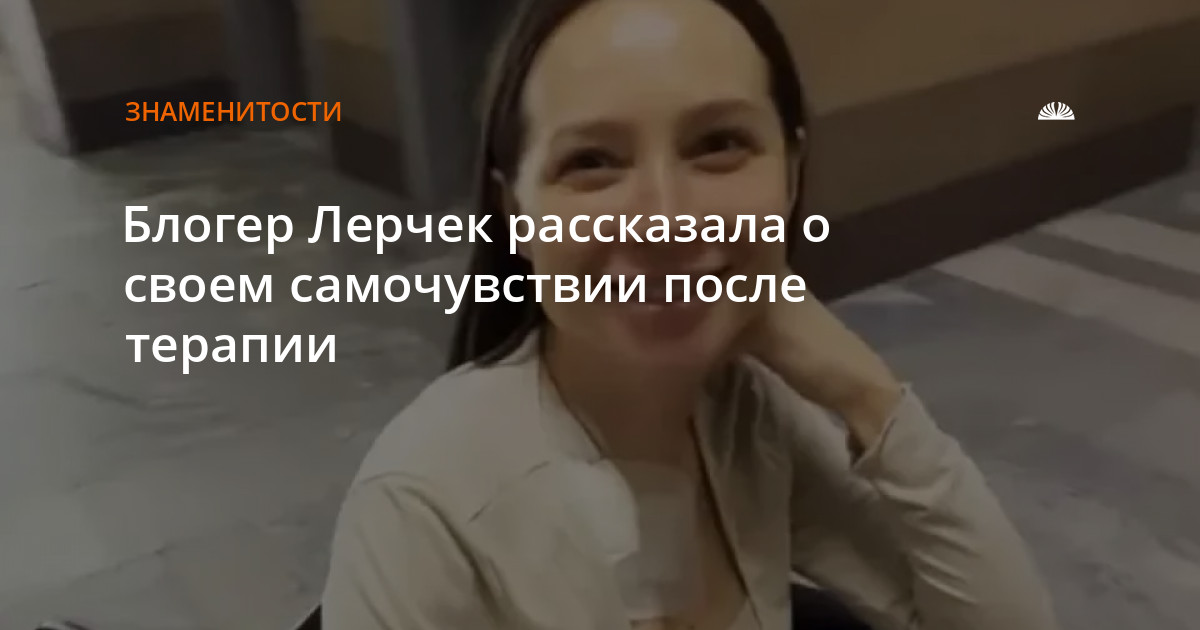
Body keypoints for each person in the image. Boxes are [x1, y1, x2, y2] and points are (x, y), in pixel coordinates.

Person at [322, 0, 1061, 628]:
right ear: (516, 211)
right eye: (591, 161)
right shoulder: (426, 507)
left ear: (790, 173)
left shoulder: (746, 414)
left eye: (718, 145)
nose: (665, 221)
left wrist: (867, 395)